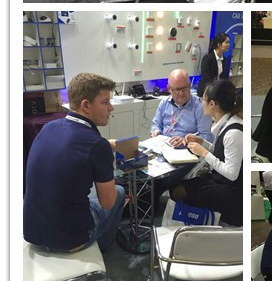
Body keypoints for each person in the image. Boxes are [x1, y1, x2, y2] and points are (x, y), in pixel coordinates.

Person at [24, 73, 125, 253]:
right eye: (105, 102)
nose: (111, 108)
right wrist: (104, 149)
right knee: (119, 191)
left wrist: (109, 144)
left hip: (32, 231)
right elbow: (108, 203)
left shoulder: (48, 127)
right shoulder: (97, 146)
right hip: (69, 240)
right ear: (86, 105)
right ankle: (103, 245)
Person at [171, 80, 242, 226]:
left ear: (212, 104)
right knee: (179, 185)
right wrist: (202, 142)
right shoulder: (226, 123)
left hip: (229, 190)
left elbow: (232, 173)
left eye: (203, 99)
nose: (200, 102)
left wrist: (203, 152)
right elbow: (222, 153)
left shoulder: (234, 132)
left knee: (178, 191)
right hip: (220, 181)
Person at [150, 68, 214, 143]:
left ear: (190, 85)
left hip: (187, 148)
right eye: (177, 90)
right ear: (169, 89)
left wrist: (186, 141)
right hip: (164, 145)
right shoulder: (164, 103)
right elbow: (155, 124)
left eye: (184, 88)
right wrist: (155, 131)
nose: (181, 93)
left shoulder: (200, 107)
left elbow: (207, 137)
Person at [196, 32, 230, 98]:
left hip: (216, 91)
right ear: (219, 45)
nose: (228, 44)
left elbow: (222, 76)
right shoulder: (208, 58)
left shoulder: (224, 59)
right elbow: (206, 77)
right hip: (206, 91)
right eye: (226, 42)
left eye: (229, 42)